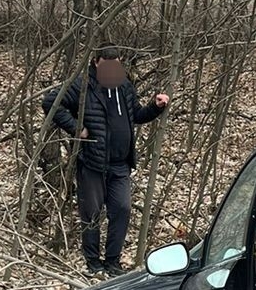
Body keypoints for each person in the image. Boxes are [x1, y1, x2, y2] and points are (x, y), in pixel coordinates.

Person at [42, 46, 170, 276]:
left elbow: (137, 116)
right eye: (107, 64)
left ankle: (113, 262)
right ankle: (92, 262)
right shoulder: (82, 86)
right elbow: (51, 103)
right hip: (92, 162)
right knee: (91, 213)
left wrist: (155, 107)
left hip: (120, 164)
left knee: (122, 209)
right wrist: (76, 128)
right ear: (95, 62)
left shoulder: (125, 87)